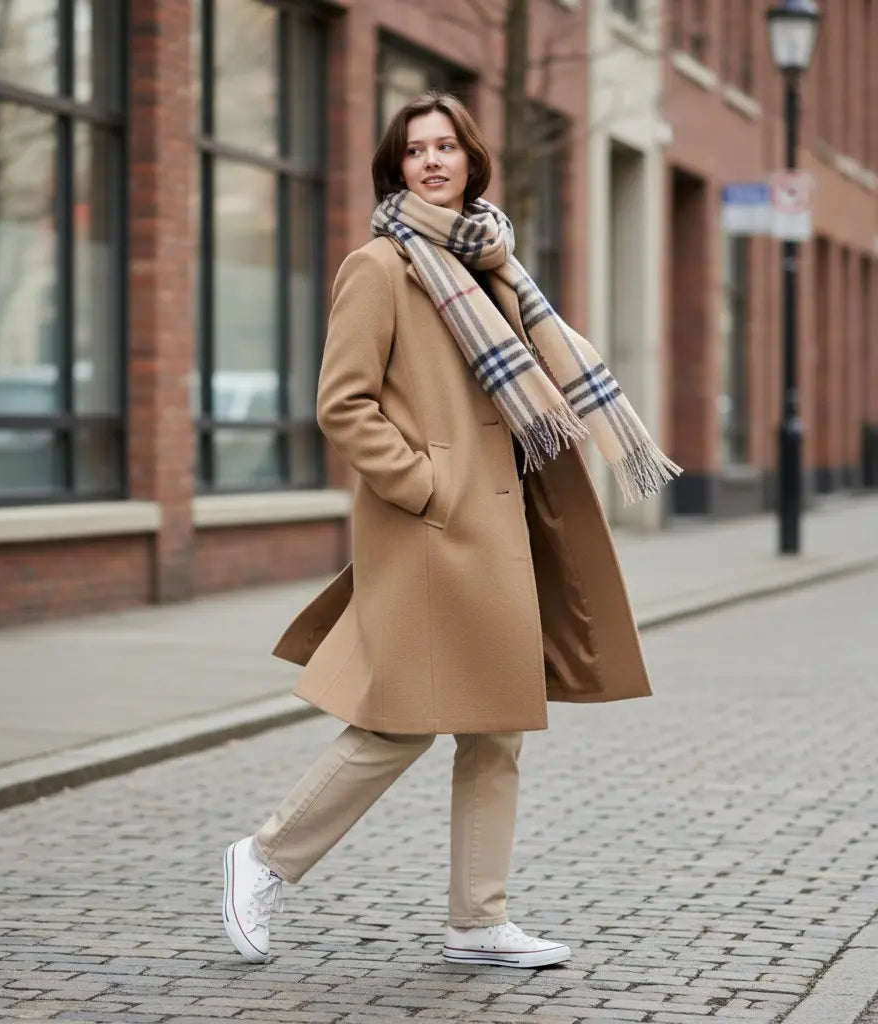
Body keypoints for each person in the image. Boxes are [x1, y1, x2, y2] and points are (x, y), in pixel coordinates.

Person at [222, 91, 680, 969]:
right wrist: (427, 485)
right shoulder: (380, 266)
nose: (431, 161)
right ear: (395, 169)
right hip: (434, 531)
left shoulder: (495, 262)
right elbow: (343, 405)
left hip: (505, 522)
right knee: (400, 720)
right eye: (414, 150)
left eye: (446, 147)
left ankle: (478, 921)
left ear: (473, 161)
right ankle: (265, 857)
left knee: (498, 724)